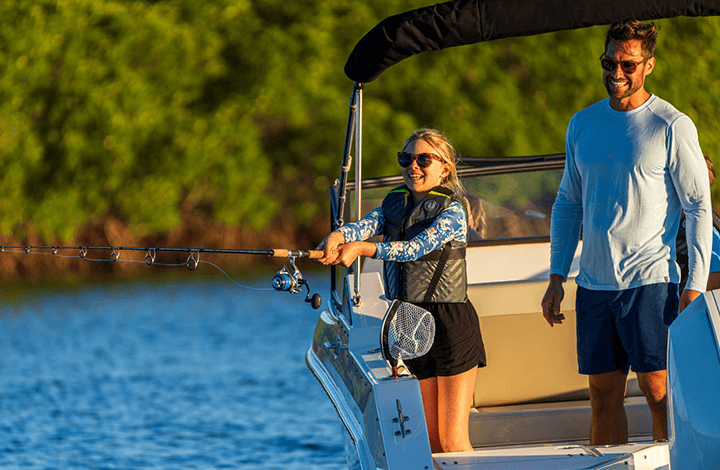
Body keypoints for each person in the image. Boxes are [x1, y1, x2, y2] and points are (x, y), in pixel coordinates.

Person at [540, 19, 712, 445]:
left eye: (628, 64)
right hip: (595, 286)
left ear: (648, 65)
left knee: (659, 393)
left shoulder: (671, 125)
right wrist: (557, 276)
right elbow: (567, 202)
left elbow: (698, 206)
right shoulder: (582, 123)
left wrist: (694, 284)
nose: (617, 73)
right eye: (609, 62)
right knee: (602, 396)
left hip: (651, 283)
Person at [318, 128, 486, 453]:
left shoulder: (453, 212)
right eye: (406, 158)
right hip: (409, 320)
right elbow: (363, 226)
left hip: (451, 323)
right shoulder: (394, 205)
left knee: (452, 440)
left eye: (424, 159)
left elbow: (413, 249)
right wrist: (339, 237)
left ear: (445, 168)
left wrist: (362, 250)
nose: (413, 166)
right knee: (430, 440)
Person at [676, 155, 720, 292]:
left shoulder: (706, 226)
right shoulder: (681, 220)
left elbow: (715, 276)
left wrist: (689, 308)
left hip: (687, 309)